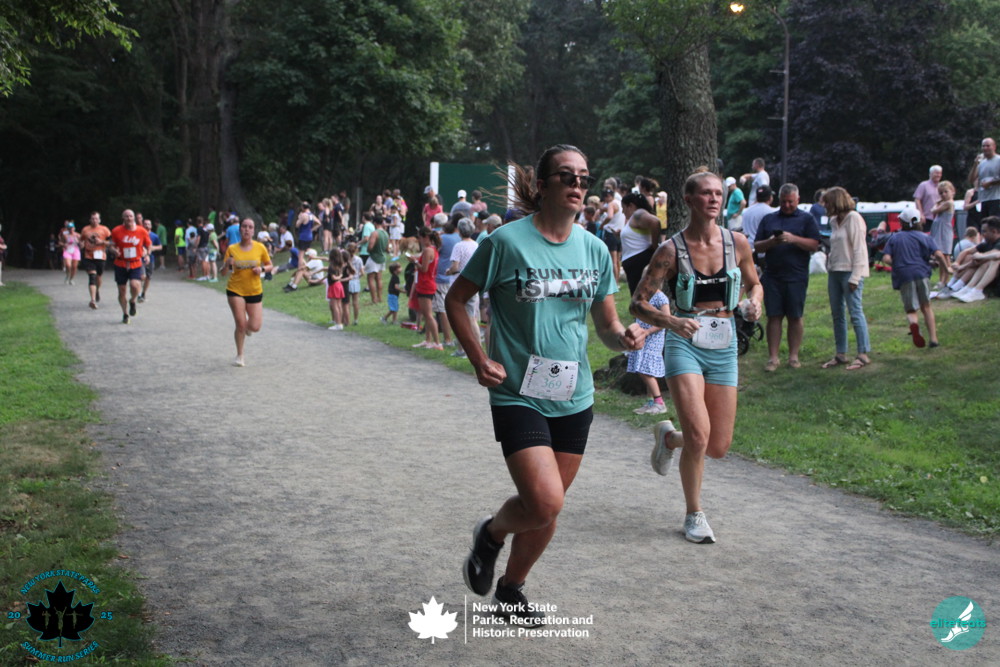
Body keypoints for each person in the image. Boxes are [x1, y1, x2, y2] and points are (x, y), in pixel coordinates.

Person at [446, 144, 645, 624]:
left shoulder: (594, 249)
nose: (578, 185)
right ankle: (491, 534)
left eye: (584, 178)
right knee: (545, 500)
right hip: (518, 391)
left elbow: (605, 326)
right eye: (567, 176)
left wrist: (623, 337)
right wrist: (478, 359)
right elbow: (456, 299)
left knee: (547, 510)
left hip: (574, 395)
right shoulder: (506, 242)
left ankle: (510, 589)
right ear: (542, 185)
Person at [631, 171, 763, 544]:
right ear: (689, 200)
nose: (714, 199)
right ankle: (694, 514)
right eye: (705, 193)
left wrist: (754, 302)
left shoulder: (737, 243)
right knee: (700, 436)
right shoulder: (670, 251)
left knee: (717, 446)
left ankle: (669, 439)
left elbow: (754, 283)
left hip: (724, 343)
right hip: (684, 343)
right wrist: (671, 321)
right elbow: (638, 303)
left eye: (718, 193)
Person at [753, 184, 822, 371]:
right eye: (783, 202)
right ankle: (773, 358)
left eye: (790, 202)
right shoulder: (769, 219)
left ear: (797, 200)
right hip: (773, 276)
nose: (787, 205)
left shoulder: (806, 219)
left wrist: (794, 239)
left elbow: (814, 245)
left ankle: (793, 357)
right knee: (773, 316)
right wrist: (772, 242)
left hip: (796, 276)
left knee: (795, 316)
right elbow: (757, 246)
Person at [819, 187, 871, 371]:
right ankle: (841, 353)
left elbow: (859, 249)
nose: (825, 206)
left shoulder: (854, 218)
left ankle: (863, 353)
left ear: (836, 202)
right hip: (835, 271)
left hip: (850, 272)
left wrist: (856, 277)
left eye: (827, 202)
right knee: (837, 314)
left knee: (855, 312)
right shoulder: (834, 221)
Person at [880, 205, 944, 346]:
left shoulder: (894, 238)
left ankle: (914, 325)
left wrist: (898, 264)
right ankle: (933, 339)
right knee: (926, 306)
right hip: (922, 273)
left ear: (901, 222)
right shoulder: (925, 237)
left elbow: (886, 258)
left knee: (911, 308)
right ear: (919, 222)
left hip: (904, 275)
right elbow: (938, 255)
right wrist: (947, 267)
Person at [221, 218, 272, 366]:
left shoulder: (260, 247)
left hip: (254, 290)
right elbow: (223, 273)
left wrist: (261, 269)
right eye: (244, 226)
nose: (247, 229)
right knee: (241, 324)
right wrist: (227, 264)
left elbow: (269, 265)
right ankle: (240, 355)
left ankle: (247, 329)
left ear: (254, 231)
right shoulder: (232, 249)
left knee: (255, 326)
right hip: (235, 289)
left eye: (250, 227)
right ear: (240, 229)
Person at [628, 289, 671, 415]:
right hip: (641, 337)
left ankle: (659, 402)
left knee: (645, 369)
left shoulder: (661, 298)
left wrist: (648, 332)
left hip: (653, 338)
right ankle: (651, 402)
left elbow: (666, 320)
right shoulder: (643, 295)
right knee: (646, 369)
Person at [444, 218, 480, 357]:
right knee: (472, 317)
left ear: (459, 230)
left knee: (460, 317)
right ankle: (476, 350)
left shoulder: (459, 246)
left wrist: (448, 271)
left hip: (458, 284)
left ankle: (462, 349)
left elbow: (455, 267)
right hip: (473, 283)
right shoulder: (476, 245)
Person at [110, 210, 151, 324]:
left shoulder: (141, 231)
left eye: (131, 216)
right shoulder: (116, 230)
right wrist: (114, 251)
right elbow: (111, 246)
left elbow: (148, 245)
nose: (129, 218)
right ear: (123, 218)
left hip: (135, 263)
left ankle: (132, 300)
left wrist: (147, 254)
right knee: (122, 291)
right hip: (120, 263)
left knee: (135, 285)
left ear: (134, 218)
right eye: (126, 216)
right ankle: (125, 314)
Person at [947, 216, 1000, 303]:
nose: (982, 234)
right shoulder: (987, 243)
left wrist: (980, 257)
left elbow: (996, 255)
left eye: (984, 231)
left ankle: (974, 289)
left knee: (991, 260)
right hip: (989, 274)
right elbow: (967, 251)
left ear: (994, 231)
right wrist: (957, 262)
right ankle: (962, 286)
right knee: (971, 257)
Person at [619, 192, 662, 295]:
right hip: (635, 264)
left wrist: (655, 246)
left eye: (623, 208)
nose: (623, 211)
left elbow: (655, 222)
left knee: (641, 299)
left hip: (639, 263)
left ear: (631, 205)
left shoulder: (638, 214)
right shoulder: (634, 218)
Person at [410, 226, 442, 350]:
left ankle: (437, 342)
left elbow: (424, 269)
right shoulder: (433, 249)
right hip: (428, 283)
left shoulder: (428, 250)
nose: (419, 240)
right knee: (426, 313)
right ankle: (428, 340)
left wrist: (414, 261)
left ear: (425, 237)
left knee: (428, 314)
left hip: (426, 284)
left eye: (420, 237)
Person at [80, 211, 112, 310]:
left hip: (100, 256)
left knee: (98, 277)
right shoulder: (85, 229)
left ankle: (97, 290)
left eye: (96, 218)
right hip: (88, 256)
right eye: (93, 218)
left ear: (99, 220)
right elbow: (81, 239)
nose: (94, 220)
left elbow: (112, 242)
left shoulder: (105, 229)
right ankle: (92, 300)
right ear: (90, 220)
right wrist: (81, 244)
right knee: (92, 276)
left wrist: (102, 242)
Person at [929, 180, 955, 286]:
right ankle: (942, 280)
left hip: (944, 231)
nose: (943, 195)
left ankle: (946, 279)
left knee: (945, 256)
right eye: (940, 193)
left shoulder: (949, 203)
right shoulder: (943, 203)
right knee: (941, 256)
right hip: (939, 230)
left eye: (946, 192)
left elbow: (933, 210)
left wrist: (936, 204)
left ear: (952, 191)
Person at [968, 138, 1000, 218]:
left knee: (995, 223)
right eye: (983, 146)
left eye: (988, 146)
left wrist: (990, 183)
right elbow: (971, 179)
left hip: (997, 198)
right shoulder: (982, 163)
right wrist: (975, 164)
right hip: (984, 199)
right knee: (985, 223)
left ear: (994, 147)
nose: (985, 148)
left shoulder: (998, 160)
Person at [365, 216, 389, 304]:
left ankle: (374, 299)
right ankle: (380, 298)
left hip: (374, 257)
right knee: (379, 279)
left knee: (370, 279)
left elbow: (370, 246)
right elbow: (387, 248)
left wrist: (368, 250)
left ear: (375, 223)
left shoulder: (375, 233)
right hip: (382, 258)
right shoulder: (386, 233)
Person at [139, 218, 164, 302]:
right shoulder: (139, 234)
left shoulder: (154, 236)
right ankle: (138, 292)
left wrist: (153, 248)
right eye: (145, 224)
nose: (147, 225)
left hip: (151, 259)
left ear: (151, 226)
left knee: (148, 277)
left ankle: (143, 293)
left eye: (148, 224)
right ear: (142, 225)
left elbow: (160, 247)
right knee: (142, 276)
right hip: (140, 258)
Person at [326, 250, 346, 330]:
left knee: (334, 306)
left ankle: (338, 324)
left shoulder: (331, 266)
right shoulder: (340, 265)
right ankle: (340, 322)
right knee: (339, 305)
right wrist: (340, 276)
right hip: (339, 285)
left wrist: (339, 277)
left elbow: (333, 278)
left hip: (333, 285)